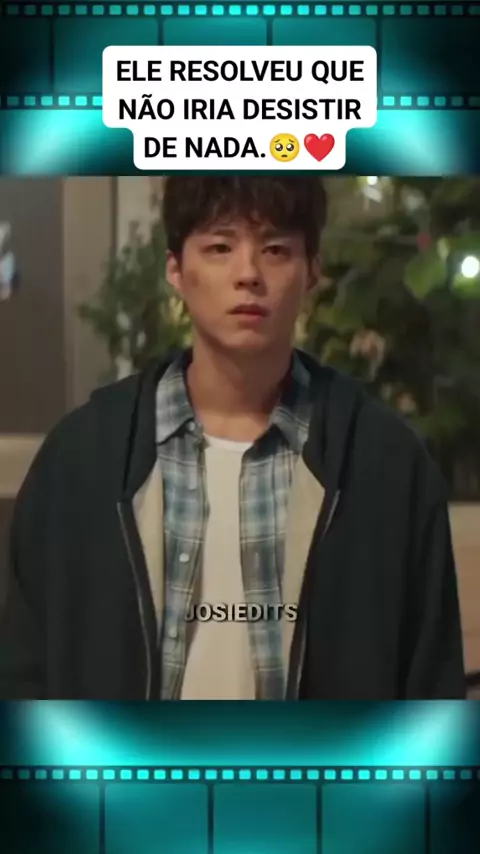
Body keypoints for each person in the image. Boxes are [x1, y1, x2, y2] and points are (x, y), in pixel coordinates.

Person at [0, 176, 466, 700]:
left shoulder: (385, 465)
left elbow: (430, 685)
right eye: (220, 248)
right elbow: (25, 671)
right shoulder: (83, 458)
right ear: (176, 269)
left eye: (275, 250)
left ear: (313, 269)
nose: (248, 274)